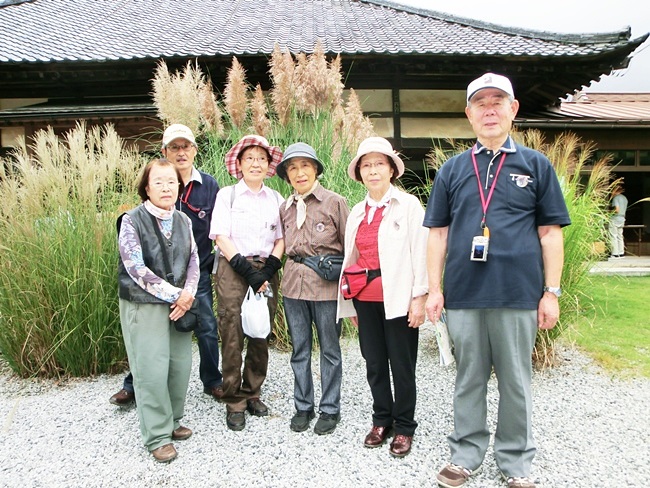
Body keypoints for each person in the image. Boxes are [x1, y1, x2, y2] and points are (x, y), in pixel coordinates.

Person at [423, 73, 571, 488]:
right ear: (469, 114)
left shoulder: (535, 165)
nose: (489, 110)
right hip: (464, 294)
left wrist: (551, 292)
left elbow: (550, 234)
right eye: (481, 103)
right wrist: (435, 290)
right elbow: (437, 235)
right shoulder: (452, 170)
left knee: (516, 382)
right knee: (468, 378)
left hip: (518, 293)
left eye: (498, 101)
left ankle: (515, 461)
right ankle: (465, 455)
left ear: (513, 109)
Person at [110, 124, 224, 406]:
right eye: (174, 147)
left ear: (195, 150)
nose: (181, 152)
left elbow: (218, 227)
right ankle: (134, 384)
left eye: (186, 146)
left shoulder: (209, 185)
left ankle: (212, 381)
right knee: (151, 338)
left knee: (207, 326)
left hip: (195, 274)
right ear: (164, 151)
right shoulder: (156, 182)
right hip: (155, 277)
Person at [337, 137, 428, 458]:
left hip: (399, 298)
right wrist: (349, 302)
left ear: (391, 169)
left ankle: (404, 426)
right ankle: (381, 420)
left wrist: (419, 297)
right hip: (365, 299)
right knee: (374, 363)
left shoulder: (409, 206)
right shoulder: (357, 211)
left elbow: (421, 253)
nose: (373, 170)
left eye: (379, 164)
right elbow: (351, 259)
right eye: (366, 165)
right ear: (359, 173)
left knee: (401, 365)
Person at [117, 158, 199, 463]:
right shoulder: (131, 220)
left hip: (179, 304)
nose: (166, 188)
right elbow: (135, 267)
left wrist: (188, 294)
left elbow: (194, 259)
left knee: (179, 365)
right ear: (147, 188)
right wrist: (177, 295)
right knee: (150, 369)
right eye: (159, 182)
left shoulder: (184, 220)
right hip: (144, 304)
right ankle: (157, 436)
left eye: (171, 182)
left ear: (179, 186)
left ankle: (173, 421)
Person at [209, 134, 285, 431]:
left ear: (269, 165)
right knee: (232, 330)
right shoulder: (227, 195)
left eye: (262, 159)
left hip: (266, 267)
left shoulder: (276, 199)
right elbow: (220, 236)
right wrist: (246, 270)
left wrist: (268, 270)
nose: (256, 163)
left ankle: (253, 391)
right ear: (239, 163)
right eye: (250, 158)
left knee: (260, 329)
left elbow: (281, 238)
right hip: (232, 267)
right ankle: (234, 399)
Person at [276, 142, 349, 435]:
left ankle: (330, 408)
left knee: (330, 349)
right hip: (293, 286)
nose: (299, 173)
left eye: (305, 165)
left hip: (326, 287)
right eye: (292, 168)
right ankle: (303, 406)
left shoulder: (335, 202)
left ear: (316, 169)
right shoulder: (285, 207)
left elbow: (349, 247)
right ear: (287, 175)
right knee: (300, 348)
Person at [609, 183, 628, 258]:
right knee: (620, 235)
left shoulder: (616, 198)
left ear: (615, 190)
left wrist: (608, 212)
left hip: (615, 218)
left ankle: (615, 253)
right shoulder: (625, 198)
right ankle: (621, 252)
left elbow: (616, 210)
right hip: (622, 218)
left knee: (613, 235)